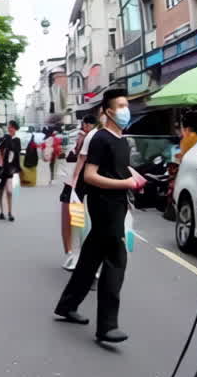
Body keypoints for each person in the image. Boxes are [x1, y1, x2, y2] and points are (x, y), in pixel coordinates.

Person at [53, 88, 141, 344]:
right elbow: (90, 176)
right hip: (105, 207)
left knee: (90, 258)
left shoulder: (121, 139)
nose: (126, 110)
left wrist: (132, 178)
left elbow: (116, 171)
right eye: (121, 106)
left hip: (118, 205)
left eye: (127, 105)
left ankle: (67, 306)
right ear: (109, 112)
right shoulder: (100, 138)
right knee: (116, 261)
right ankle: (107, 325)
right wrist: (125, 184)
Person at [59, 115, 97, 270]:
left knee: (78, 222)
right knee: (72, 220)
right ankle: (70, 253)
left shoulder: (94, 139)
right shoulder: (79, 138)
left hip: (83, 185)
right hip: (74, 186)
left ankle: (77, 254)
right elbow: (72, 157)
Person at [0, 120, 22, 221]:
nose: (10, 128)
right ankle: (1, 212)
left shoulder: (17, 140)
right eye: (9, 127)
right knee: (1, 190)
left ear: (15, 129)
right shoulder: (4, 138)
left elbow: (17, 153)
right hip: (2, 167)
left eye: (12, 127)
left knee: (10, 191)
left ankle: (10, 212)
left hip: (11, 169)